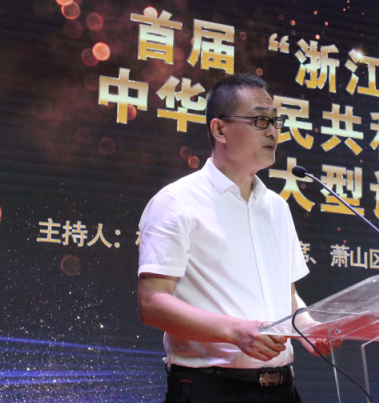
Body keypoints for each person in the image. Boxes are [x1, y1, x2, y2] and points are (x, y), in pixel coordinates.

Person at [138, 74, 336, 403]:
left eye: (275, 121)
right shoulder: (176, 201)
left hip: (282, 390)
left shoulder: (277, 208)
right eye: (260, 120)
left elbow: (287, 296)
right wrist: (234, 331)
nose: (272, 132)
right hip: (211, 389)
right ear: (219, 130)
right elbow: (152, 304)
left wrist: (308, 327)